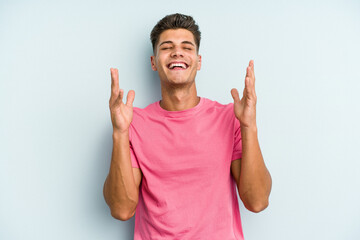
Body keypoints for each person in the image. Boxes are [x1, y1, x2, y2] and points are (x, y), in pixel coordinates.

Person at [103, 13, 272, 239]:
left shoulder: (230, 118)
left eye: (186, 46)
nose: (177, 52)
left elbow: (257, 201)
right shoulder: (133, 123)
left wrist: (249, 126)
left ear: (198, 61)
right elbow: (122, 209)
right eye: (166, 47)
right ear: (153, 62)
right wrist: (119, 132)